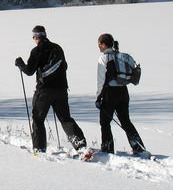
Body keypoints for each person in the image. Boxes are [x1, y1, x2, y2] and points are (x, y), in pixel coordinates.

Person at [15, 25, 87, 153]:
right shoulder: (58, 48)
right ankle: (80, 145)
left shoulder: (36, 51)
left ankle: (39, 148)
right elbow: (65, 66)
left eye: (34, 37)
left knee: (38, 119)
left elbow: (29, 71)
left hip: (44, 91)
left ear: (36, 37)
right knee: (65, 118)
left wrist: (20, 63)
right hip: (61, 89)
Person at [96, 33, 146, 155]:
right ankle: (138, 147)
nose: (98, 47)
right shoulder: (121, 56)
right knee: (125, 121)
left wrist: (98, 97)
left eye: (99, 44)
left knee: (105, 122)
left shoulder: (104, 58)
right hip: (123, 92)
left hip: (109, 93)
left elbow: (101, 80)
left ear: (103, 44)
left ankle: (107, 149)